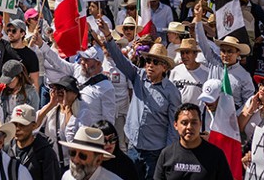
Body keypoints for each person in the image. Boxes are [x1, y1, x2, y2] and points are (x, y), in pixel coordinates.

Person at [98, 19, 181, 180]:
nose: (150, 65)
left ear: (164, 67)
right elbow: (120, 61)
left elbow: (173, 127)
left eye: (155, 62)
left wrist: (168, 154)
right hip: (133, 147)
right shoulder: (138, 76)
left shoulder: (172, 92)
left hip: (155, 152)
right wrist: (108, 35)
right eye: (148, 61)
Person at [32, 34, 116, 126]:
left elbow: (108, 120)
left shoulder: (107, 88)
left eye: (87, 60)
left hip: (90, 134)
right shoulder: (77, 69)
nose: (82, 62)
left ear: (98, 64)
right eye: (82, 59)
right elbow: (59, 63)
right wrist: (42, 45)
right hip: (71, 127)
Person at [191, 3, 253, 109]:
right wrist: (198, 18)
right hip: (209, 114)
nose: (225, 54)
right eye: (223, 51)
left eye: (230, 51)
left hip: (230, 118)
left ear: (238, 53)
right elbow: (201, 41)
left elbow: (248, 103)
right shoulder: (214, 62)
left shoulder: (244, 76)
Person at [153, 103, 232, 180]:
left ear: (200, 124)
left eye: (194, 123)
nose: (189, 127)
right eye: (184, 123)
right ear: (176, 125)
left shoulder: (216, 155)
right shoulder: (166, 154)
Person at [35, 76, 87, 170]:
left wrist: (67, 107)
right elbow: (34, 125)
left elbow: (71, 139)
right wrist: (51, 104)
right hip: (50, 163)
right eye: (57, 89)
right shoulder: (53, 109)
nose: (60, 92)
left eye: (64, 90)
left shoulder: (82, 112)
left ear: (74, 94)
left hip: (69, 165)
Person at [9, 104, 60, 180]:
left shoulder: (46, 154)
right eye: (14, 124)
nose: (17, 128)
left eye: (22, 125)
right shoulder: (7, 148)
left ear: (34, 126)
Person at [168, 38, 208, 105]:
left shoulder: (206, 73)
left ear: (195, 54)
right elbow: (170, 92)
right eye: (182, 53)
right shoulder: (175, 71)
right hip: (178, 112)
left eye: (187, 52)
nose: (184, 56)